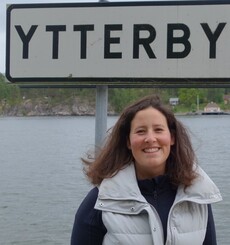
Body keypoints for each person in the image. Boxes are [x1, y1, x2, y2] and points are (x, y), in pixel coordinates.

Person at [71, 95, 222, 245]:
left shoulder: (196, 196)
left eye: (158, 129)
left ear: (172, 138)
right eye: (141, 131)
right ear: (128, 142)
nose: (150, 138)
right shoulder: (100, 201)